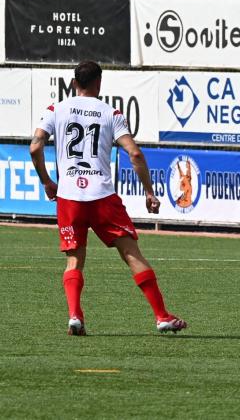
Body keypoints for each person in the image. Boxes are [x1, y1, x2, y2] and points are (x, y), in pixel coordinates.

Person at [28, 61, 187, 336]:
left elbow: (35, 147)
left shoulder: (56, 109)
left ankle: (75, 316)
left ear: (74, 83)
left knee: (74, 260)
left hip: (69, 197)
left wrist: (47, 181)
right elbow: (135, 154)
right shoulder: (110, 113)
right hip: (102, 196)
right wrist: (149, 191)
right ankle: (162, 316)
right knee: (131, 254)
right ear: (99, 83)